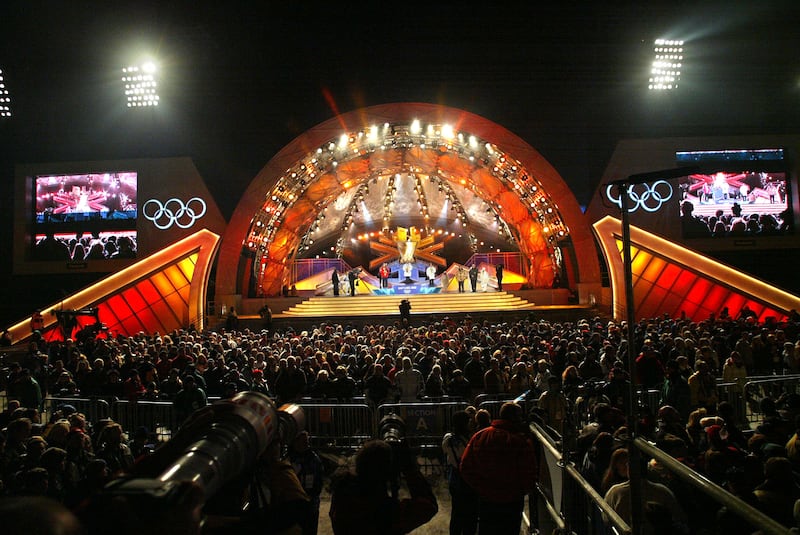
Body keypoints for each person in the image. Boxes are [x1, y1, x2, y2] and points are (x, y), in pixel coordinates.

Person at [460, 401, 538, 534]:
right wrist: (523, 489)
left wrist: (480, 487)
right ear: (514, 418)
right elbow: (528, 470)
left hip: (487, 498)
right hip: (512, 499)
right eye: (519, 416)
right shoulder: (520, 441)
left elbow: (465, 466)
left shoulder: (480, 436)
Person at [329, 439, 438, 534]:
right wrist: (408, 466)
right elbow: (428, 506)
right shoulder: (385, 512)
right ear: (386, 472)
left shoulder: (341, 495)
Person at [442, 410, 478, 535]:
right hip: (468, 479)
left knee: (457, 512)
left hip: (455, 478)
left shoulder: (448, 439)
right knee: (470, 514)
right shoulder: (467, 441)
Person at [289, 431, 324, 535]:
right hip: (295, 504)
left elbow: (319, 480)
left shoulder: (313, 459)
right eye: (303, 441)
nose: (306, 444)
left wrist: (312, 496)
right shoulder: (290, 459)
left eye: (306, 441)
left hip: (310, 503)